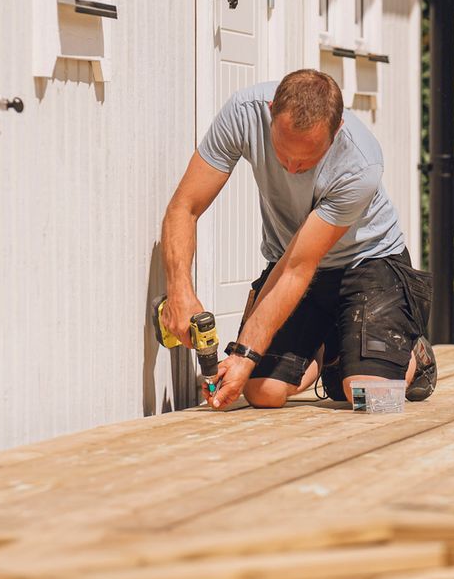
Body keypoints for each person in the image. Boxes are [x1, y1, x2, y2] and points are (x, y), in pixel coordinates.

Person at [157, 69, 435, 410]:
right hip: (292, 262)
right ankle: (332, 350)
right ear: (272, 111)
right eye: (282, 151)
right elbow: (184, 208)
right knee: (261, 393)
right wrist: (180, 292)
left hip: (369, 264)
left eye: (307, 159)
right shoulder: (244, 113)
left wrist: (243, 356)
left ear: (337, 132)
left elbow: (298, 268)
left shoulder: (361, 163)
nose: (291, 167)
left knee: (373, 399)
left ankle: (411, 355)